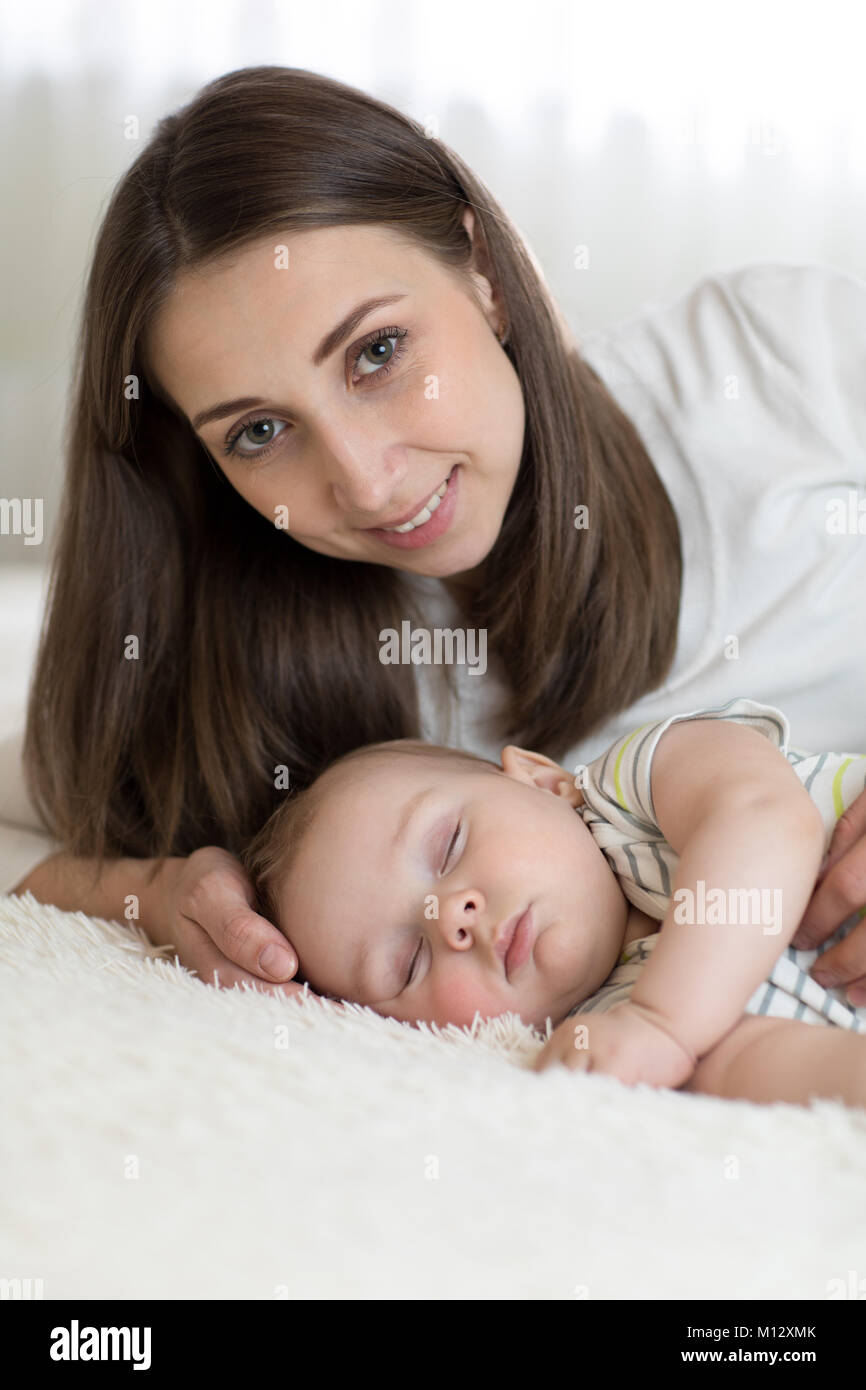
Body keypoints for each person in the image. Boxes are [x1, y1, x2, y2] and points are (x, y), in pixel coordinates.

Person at [5, 66, 866, 1008]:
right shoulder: (259, 692)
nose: (367, 480)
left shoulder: (778, 357)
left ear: (485, 273)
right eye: (258, 432)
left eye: (377, 353)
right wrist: (146, 890)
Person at [234, 696, 866, 1110]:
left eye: (449, 845)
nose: (450, 918)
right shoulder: (604, 1034)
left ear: (543, 781)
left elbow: (761, 815)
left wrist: (665, 1022)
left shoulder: (637, 784)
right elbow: (775, 1071)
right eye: (408, 965)